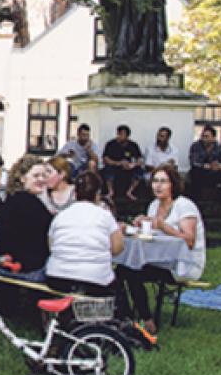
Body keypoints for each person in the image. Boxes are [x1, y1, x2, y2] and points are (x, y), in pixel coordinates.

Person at [117, 164, 205, 335]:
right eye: (155, 181)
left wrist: (164, 226)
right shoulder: (154, 205)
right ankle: (126, 316)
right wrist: (136, 227)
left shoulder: (184, 206)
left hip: (183, 264)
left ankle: (147, 321)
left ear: (173, 184)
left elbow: (189, 241)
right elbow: (152, 237)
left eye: (163, 181)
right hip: (161, 260)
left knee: (132, 271)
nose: (158, 185)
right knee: (121, 269)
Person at [45, 171, 124, 298]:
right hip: (95, 279)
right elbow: (117, 248)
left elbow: (51, 246)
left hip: (57, 277)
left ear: (75, 194)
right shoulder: (105, 216)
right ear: (97, 194)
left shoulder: (61, 216)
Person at [0, 155, 52, 283]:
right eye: (36, 176)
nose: (41, 179)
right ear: (22, 178)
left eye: (44, 176)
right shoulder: (30, 203)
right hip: (29, 267)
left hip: (11, 263)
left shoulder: (12, 199)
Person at [101, 125, 145, 201]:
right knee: (107, 169)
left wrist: (133, 165)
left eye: (122, 134)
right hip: (115, 166)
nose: (119, 136)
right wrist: (118, 163)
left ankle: (129, 192)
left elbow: (140, 159)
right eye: (119, 134)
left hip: (129, 167)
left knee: (140, 171)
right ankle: (110, 192)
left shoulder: (133, 145)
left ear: (127, 136)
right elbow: (105, 159)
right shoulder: (111, 144)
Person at [187, 125, 221, 200]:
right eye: (203, 136)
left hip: (214, 173)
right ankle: (196, 201)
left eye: (207, 136)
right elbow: (194, 162)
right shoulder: (196, 146)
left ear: (213, 138)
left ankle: (220, 203)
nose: (204, 138)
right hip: (201, 171)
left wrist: (219, 166)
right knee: (195, 173)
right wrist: (208, 166)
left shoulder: (219, 147)